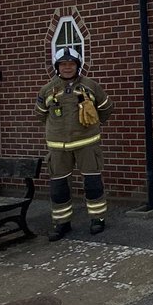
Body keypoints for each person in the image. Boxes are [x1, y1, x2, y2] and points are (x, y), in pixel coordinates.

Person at [35, 46, 114, 240]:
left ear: (78, 66)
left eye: (71, 64)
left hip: (87, 143)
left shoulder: (90, 86)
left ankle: (97, 219)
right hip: (58, 147)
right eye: (63, 64)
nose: (67, 68)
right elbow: (40, 113)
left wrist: (95, 122)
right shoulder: (47, 90)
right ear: (57, 67)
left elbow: (106, 107)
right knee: (59, 187)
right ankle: (62, 223)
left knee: (93, 183)